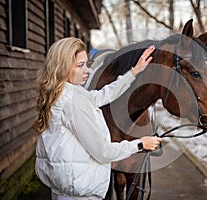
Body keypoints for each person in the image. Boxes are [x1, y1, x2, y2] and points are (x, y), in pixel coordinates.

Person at [33, 37, 162, 200]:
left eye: (86, 64)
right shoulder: (73, 102)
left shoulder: (65, 93)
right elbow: (103, 152)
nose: (86, 71)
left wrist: (133, 72)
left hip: (69, 189)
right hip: (81, 195)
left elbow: (103, 95)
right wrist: (140, 144)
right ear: (62, 68)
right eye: (80, 66)